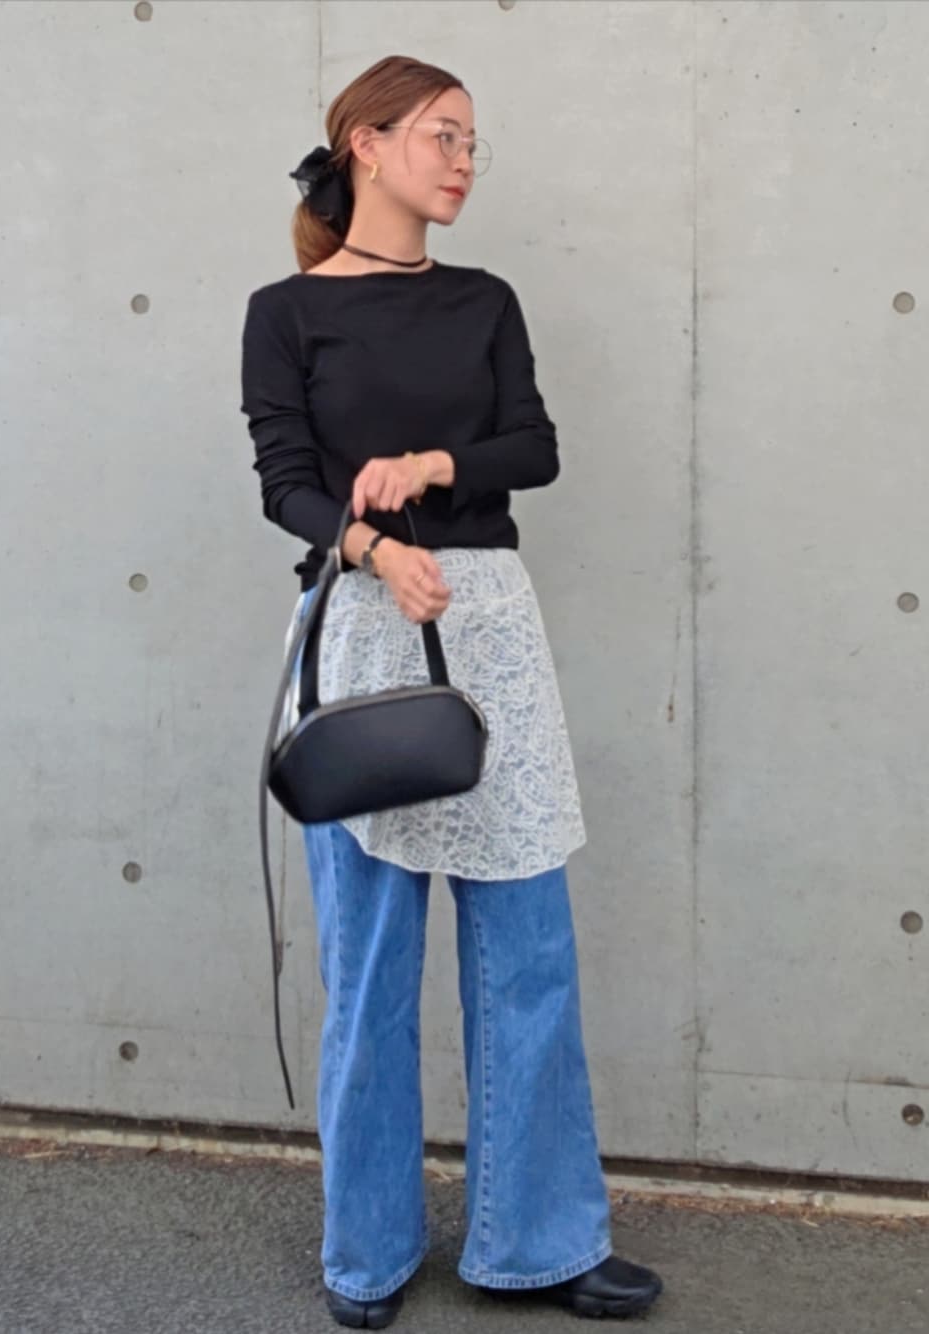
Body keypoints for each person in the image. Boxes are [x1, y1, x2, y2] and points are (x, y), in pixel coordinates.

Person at [240, 53, 664, 1331]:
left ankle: (540, 1238)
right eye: (442, 134)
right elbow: (283, 481)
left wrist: (429, 463)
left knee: (528, 948)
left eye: (474, 141)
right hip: (364, 627)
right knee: (369, 962)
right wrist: (372, 548)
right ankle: (366, 1249)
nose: (465, 160)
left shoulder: (485, 300)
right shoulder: (284, 311)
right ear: (366, 145)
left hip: (490, 628)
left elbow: (532, 446)